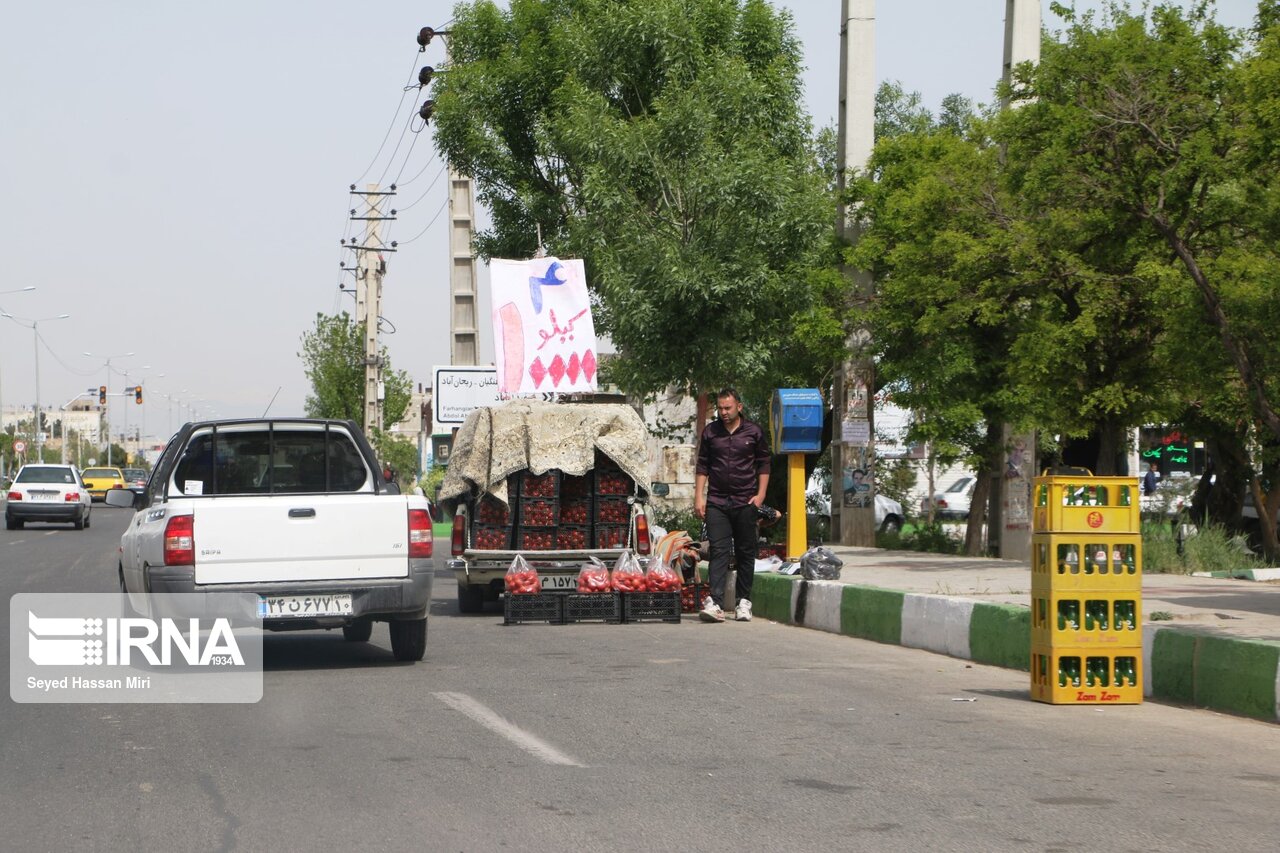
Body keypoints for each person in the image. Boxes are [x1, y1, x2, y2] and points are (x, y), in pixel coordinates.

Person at [694, 388, 771, 623]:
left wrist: (760, 495)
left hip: (745, 501)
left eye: (728, 408)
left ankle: (743, 602)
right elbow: (703, 466)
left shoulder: (754, 432)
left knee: (747, 552)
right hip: (717, 501)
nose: (724, 412)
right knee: (718, 550)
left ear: (739, 407)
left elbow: (764, 464)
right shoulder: (711, 433)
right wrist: (699, 497)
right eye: (720, 408)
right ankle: (715, 603)